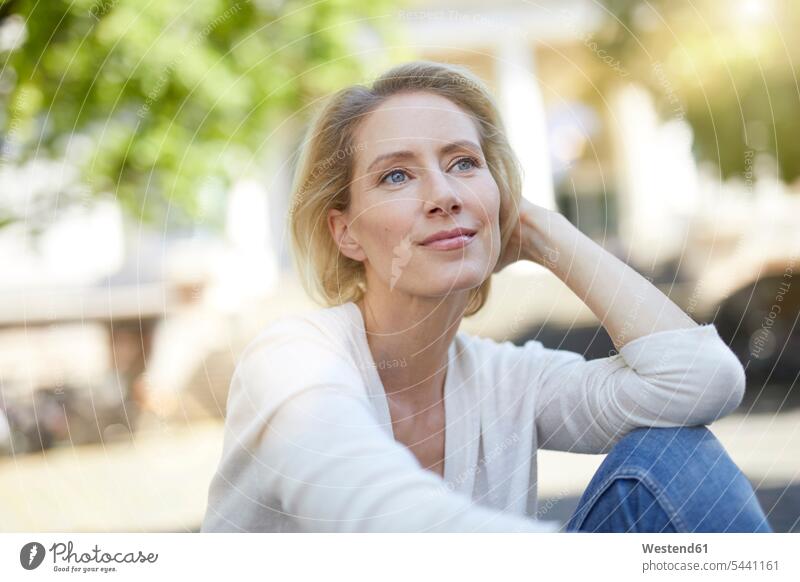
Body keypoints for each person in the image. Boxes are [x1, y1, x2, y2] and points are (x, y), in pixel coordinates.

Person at [201, 61, 771, 533]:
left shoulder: (510, 379)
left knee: (678, 460)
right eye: (396, 176)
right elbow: (379, 514)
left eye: (464, 163)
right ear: (345, 231)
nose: (444, 194)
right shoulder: (292, 359)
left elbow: (701, 380)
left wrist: (544, 234)